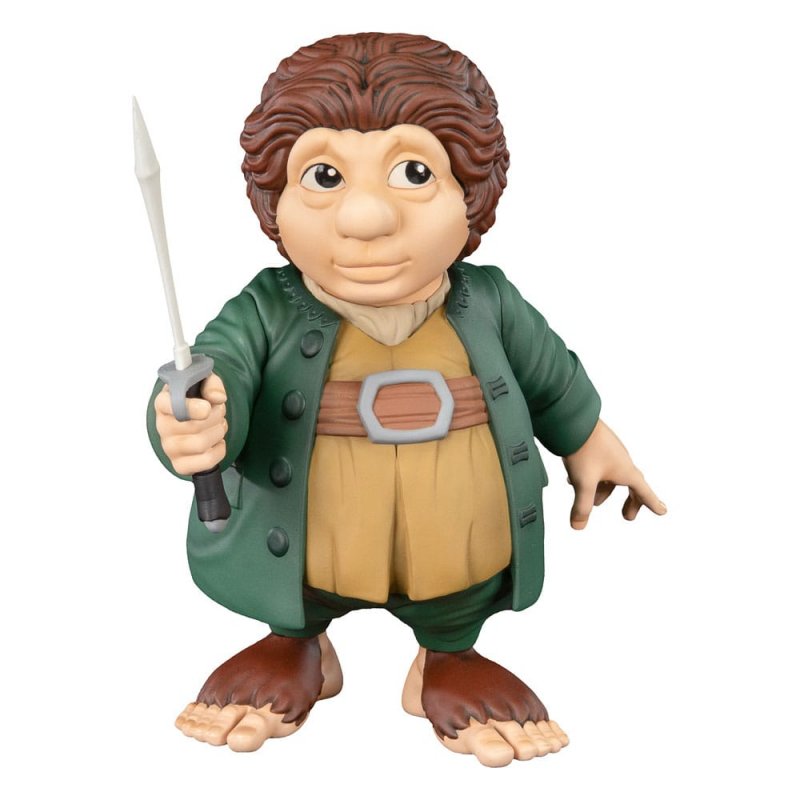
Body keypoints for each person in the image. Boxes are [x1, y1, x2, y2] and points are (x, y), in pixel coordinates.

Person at [147, 32, 666, 768]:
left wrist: (588, 438)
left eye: (413, 173)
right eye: (324, 176)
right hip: (300, 542)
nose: (366, 219)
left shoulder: (488, 301)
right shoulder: (269, 306)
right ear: (276, 199)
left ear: (470, 192)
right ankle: (297, 643)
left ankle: (447, 656)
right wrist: (194, 418)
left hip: (458, 541)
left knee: (457, 588)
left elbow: (551, 375)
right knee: (296, 590)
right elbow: (214, 367)